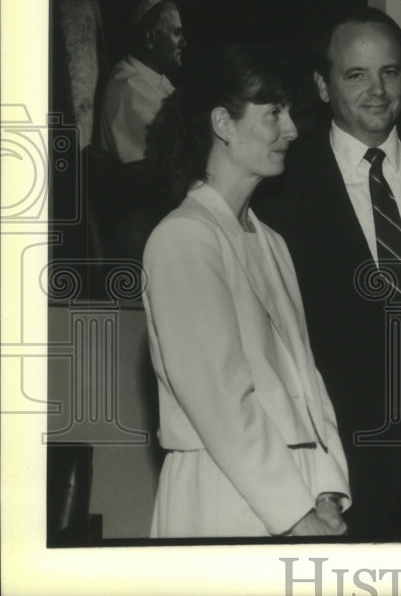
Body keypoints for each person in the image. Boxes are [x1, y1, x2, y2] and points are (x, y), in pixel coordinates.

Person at [253, 8, 401, 540]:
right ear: (322, 85)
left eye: (391, 71)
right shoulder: (281, 185)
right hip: (334, 475)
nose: (377, 90)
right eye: (356, 74)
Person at [142, 44, 350, 538]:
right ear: (223, 123)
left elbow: (306, 380)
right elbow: (220, 402)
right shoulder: (184, 238)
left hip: (290, 492)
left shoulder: (270, 241)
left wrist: (325, 491)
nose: (292, 129)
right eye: (273, 112)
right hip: (224, 494)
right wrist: (296, 515)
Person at [99, 0, 186, 163]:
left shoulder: (150, 75)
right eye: (176, 33)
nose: (184, 43)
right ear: (151, 38)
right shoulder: (128, 86)